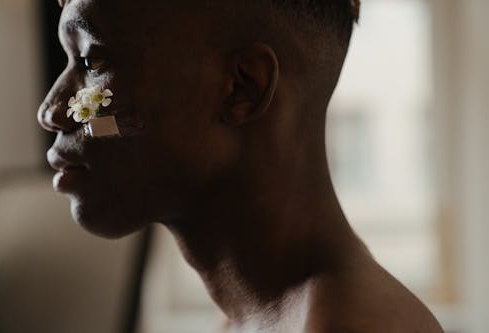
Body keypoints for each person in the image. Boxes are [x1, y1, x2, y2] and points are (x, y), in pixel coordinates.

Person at [37, 0, 444, 332]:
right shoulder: (254, 317)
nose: (52, 111)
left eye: (91, 62)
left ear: (240, 88)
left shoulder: (356, 326)